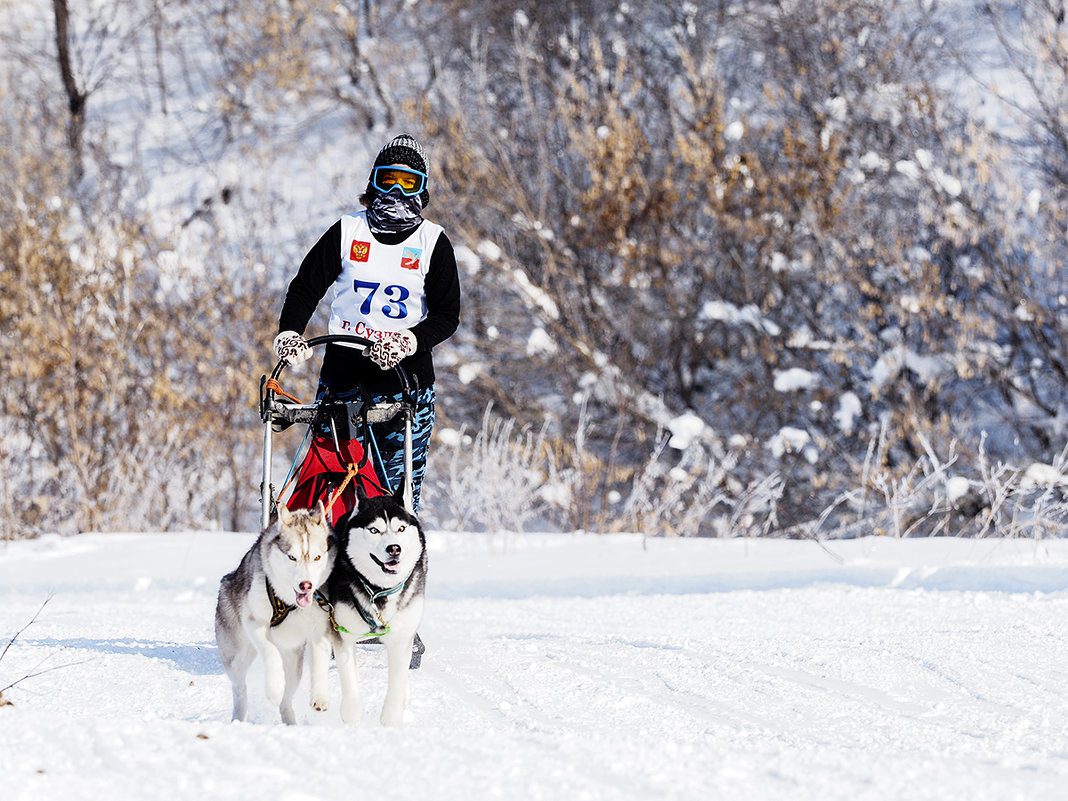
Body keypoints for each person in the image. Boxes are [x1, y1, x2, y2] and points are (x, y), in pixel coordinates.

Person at [274, 133, 461, 514]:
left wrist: (410, 341)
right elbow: (306, 287)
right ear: (373, 182)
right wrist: (290, 332)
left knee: (395, 500)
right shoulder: (347, 231)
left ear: (422, 191)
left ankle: (393, 572)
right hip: (344, 376)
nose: (395, 190)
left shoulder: (432, 242)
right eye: (388, 178)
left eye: (408, 182)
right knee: (332, 487)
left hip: (404, 382)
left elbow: (447, 315)